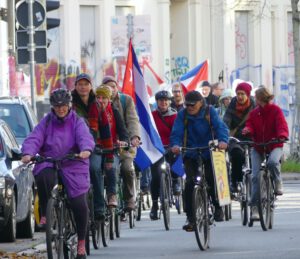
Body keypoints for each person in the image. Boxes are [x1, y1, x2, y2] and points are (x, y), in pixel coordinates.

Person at [21, 89, 94, 259]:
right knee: (42, 176)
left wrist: (85, 150)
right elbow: (34, 138)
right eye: (57, 106)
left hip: (74, 163)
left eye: (63, 106)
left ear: (69, 105)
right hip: (51, 160)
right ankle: (47, 211)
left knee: (78, 202)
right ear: (52, 107)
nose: (60, 109)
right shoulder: (46, 122)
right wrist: (28, 153)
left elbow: (85, 137)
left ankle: (81, 243)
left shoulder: (77, 121)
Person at [170, 90, 229, 231]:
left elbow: (220, 127)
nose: (189, 107)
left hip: (209, 151)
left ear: (201, 102)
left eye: (192, 104)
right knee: (189, 183)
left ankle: (217, 206)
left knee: (212, 177)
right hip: (190, 152)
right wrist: (176, 145)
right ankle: (190, 217)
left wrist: (222, 141)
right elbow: (176, 133)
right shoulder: (182, 115)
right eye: (187, 104)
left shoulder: (210, 112)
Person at [242, 86, 289, 220]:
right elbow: (250, 124)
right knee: (255, 177)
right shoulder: (254, 113)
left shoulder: (275, 110)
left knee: (273, 162)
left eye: (255, 98)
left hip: (274, 144)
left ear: (259, 98)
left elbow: (281, 125)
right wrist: (248, 130)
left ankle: (278, 181)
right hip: (258, 146)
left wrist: (282, 135)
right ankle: (255, 208)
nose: (255, 100)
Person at [72, 73, 114, 220]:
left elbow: (105, 131)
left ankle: (99, 207)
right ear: (75, 86)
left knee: (94, 169)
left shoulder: (97, 105)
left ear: (91, 87)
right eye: (80, 84)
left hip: (94, 146)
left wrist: (109, 157)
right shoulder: (70, 104)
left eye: (86, 84)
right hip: (74, 147)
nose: (83, 87)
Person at [102, 75, 141, 210]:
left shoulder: (126, 100)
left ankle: (130, 198)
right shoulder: (99, 101)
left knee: (127, 168)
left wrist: (134, 137)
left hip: (125, 146)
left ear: (117, 88)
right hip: (107, 146)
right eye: (107, 87)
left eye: (113, 86)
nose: (111, 89)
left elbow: (132, 120)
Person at [95, 84, 129, 207]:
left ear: (109, 99)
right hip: (96, 149)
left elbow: (123, 132)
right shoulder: (92, 112)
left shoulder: (114, 112)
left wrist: (123, 141)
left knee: (111, 168)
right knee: (94, 169)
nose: (100, 101)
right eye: (97, 97)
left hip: (112, 149)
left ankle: (112, 195)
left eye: (103, 98)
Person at [150, 90, 179, 220]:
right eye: (161, 100)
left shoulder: (175, 116)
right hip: (156, 149)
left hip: (171, 147)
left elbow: (177, 133)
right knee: (155, 176)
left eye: (166, 100)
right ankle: (155, 204)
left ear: (169, 101)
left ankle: (175, 181)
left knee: (175, 162)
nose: (164, 102)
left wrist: (174, 146)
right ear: (157, 102)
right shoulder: (152, 116)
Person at [223, 82, 255, 192]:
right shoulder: (232, 105)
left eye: (242, 94)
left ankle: (256, 184)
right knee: (236, 155)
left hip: (252, 138)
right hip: (235, 138)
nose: (240, 96)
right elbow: (226, 120)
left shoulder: (254, 105)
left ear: (248, 94)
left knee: (254, 159)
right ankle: (235, 182)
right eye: (238, 94)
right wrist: (225, 132)